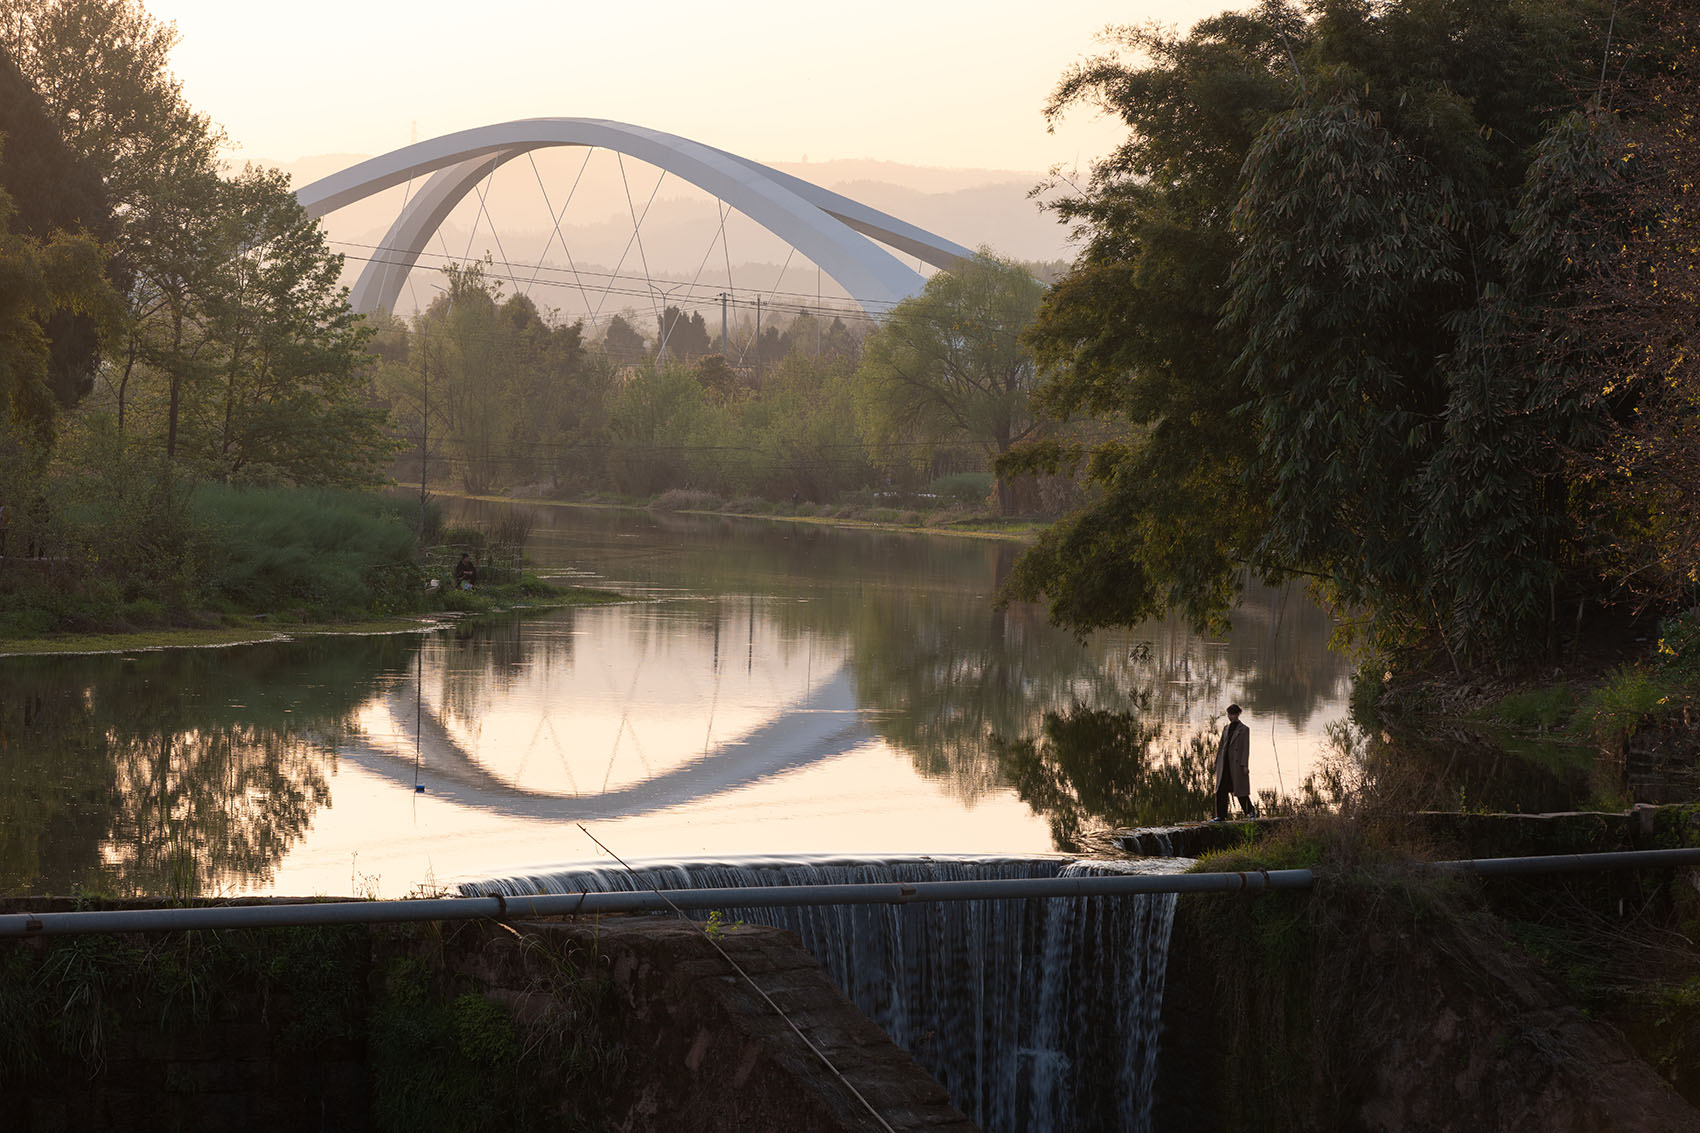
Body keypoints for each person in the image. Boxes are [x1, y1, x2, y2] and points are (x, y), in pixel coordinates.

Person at [1213, 703, 1258, 821]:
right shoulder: (1226, 728)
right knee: (1221, 790)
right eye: (1229, 714)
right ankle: (1221, 816)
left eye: (1232, 714)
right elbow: (1221, 746)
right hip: (1224, 763)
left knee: (1240, 790)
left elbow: (1245, 748)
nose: (1230, 717)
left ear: (1238, 714)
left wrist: (1244, 765)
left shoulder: (1244, 729)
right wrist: (1216, 762)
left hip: (1236, 764)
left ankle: (1251, 811)